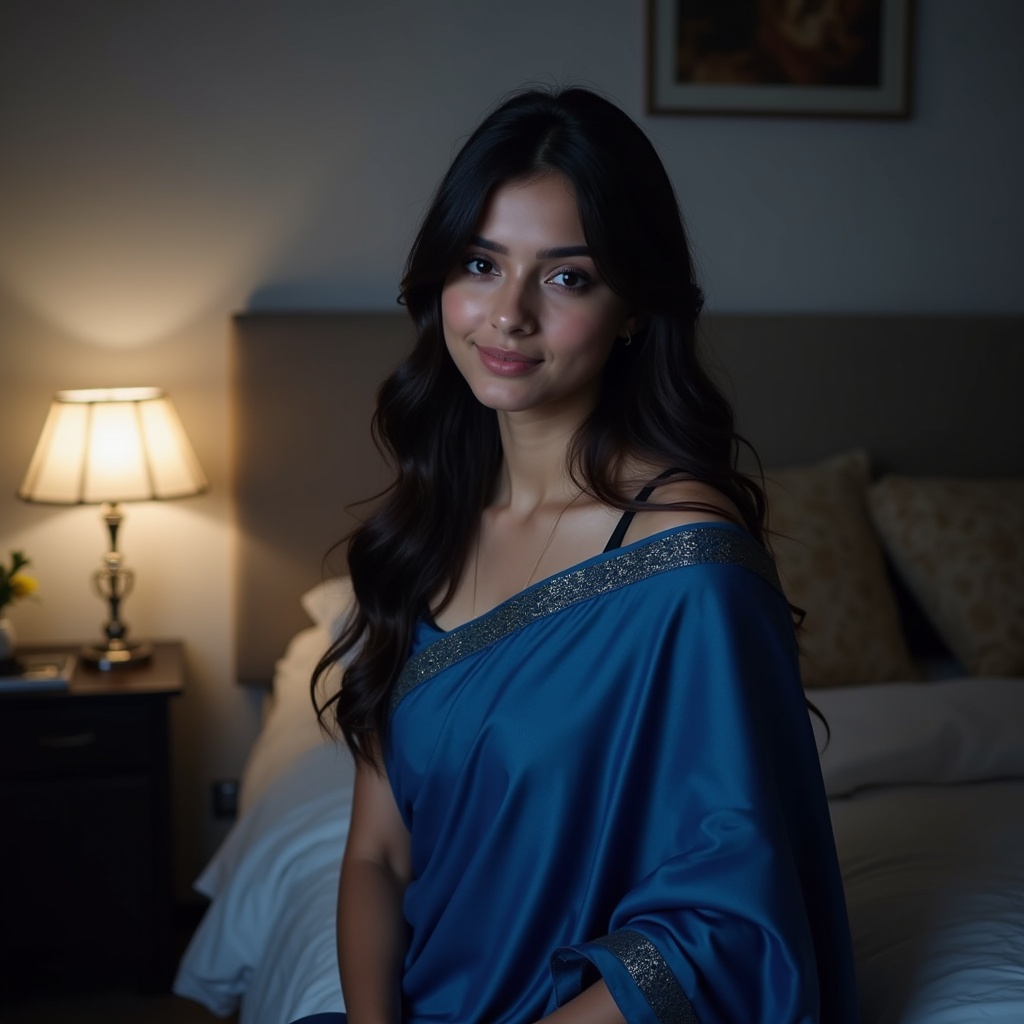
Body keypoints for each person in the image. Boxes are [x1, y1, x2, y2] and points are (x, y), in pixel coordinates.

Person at [311, 86, 858, 1024]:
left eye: (567, 277)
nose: (507, 314)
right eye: (480, 263)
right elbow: (377, 857)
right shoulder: (423, 531)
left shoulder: (689, 569)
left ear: (634, 308)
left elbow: (730, 928)